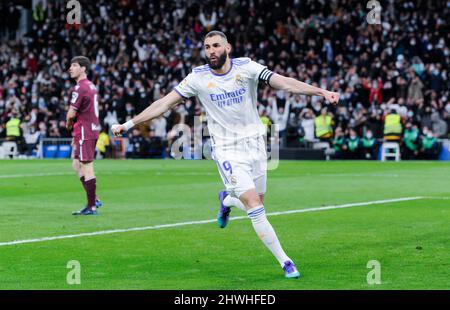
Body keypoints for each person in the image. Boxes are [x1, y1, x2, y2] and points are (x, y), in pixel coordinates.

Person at [112, 31, 339, 279]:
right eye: (207, 46)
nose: (211, 50)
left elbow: (284, 82)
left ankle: (227, 200)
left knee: (258, 203)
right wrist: (129, 124)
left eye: (216, 45)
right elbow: (164, 103)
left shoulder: (248, 68)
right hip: (227, 149)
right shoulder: (197, 78)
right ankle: (286, 261)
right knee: (255, 207)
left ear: (228, 47)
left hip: (256, 145)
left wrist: (321, 92)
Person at [66, 56, 102, 215]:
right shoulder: (92, 86)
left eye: (74, 65)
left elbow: (71, 113)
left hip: (84, 131)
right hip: (89, 129)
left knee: (87, 167)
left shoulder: (80, 88)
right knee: (76, 164)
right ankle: (94, 199)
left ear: (83, 69)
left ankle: (92, 206)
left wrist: (68, 125)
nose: (70, 68)